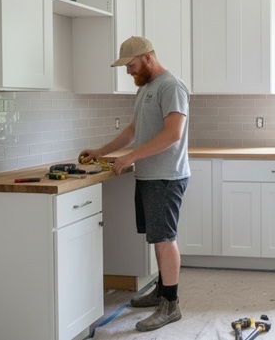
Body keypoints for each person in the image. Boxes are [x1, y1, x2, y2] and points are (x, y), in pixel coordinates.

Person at [79, 36, 190, 332]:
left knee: (165, 239)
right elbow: (133, 129)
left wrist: (131, 157)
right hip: (149, 175)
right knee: (157, 237)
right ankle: (162, 291)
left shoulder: (171, 86)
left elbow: (173, 134)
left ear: (147, 58)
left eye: (131, 65)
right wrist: (101, 151)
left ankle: (171, 305)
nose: (128, 71)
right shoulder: (145, 89)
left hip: (166, 176)